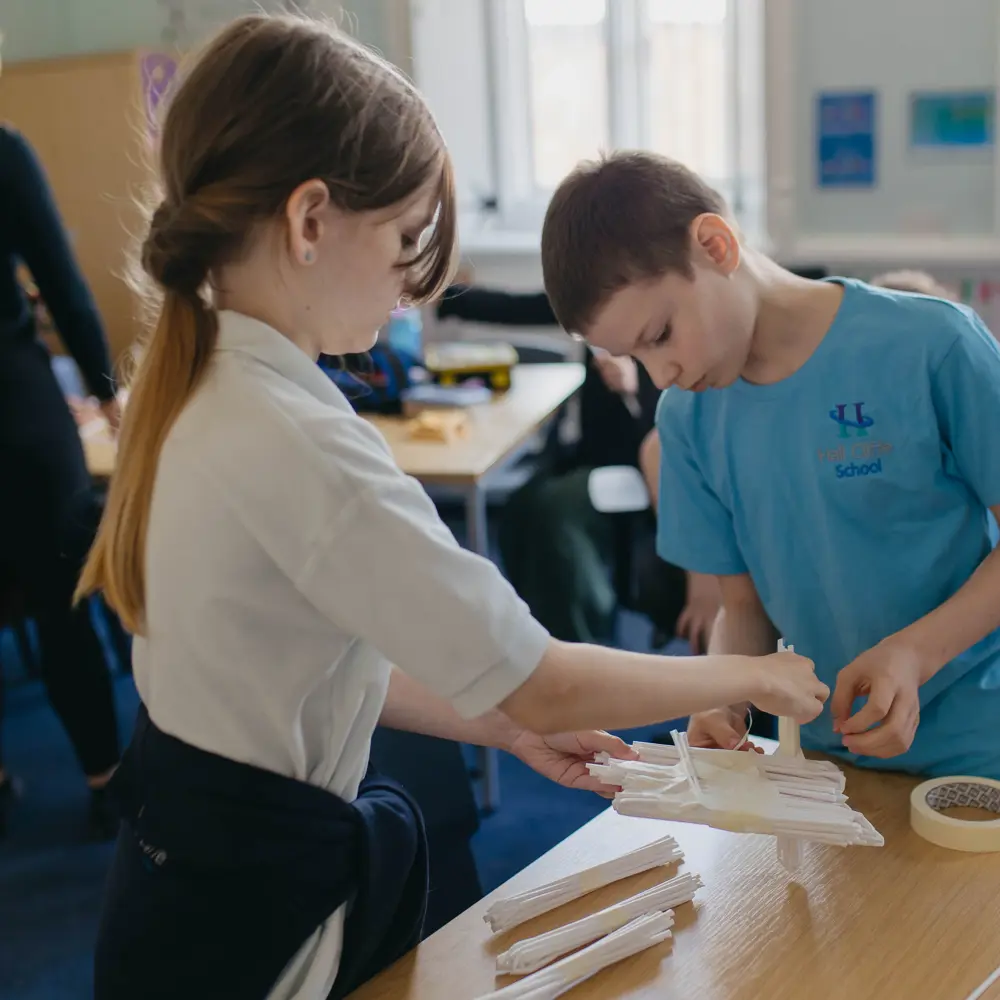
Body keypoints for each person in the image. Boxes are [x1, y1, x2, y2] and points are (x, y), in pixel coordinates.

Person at [74, 16, 827, 1000]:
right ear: (309, 223)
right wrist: (750, 674)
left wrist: (504, 730)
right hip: (257, 922)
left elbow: (318, 664)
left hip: (185, 882)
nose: (402, 289)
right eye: (398, 240)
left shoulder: (202, 382)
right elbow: (546, 680)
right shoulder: (297, 438)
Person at [540, 149, 1000, 779]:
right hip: (831, 761)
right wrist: (721, 697)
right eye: (634, 358)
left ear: (715, 245)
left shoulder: (934, 344)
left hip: (982, 745)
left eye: (661, 335)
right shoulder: (687, 419)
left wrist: (915, 655)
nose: (661, 373)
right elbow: (744, 607)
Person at [438, 283, 718, 650]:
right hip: (584, 457)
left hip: (632, 464)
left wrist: (633, 388)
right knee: (521, 510)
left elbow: (671, 430)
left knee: (555, 515)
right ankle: (533, 641)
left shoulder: (663, 313)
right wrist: (448, 298)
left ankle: (580, 642)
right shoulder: (596, 298)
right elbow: (521, 306)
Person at [0, 53, 121, 837]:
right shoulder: (4, 152)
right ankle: (106, 781)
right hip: (18, 417)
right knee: (63, 605)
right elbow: (63, 286)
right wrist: (111, 395)